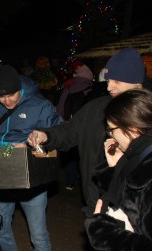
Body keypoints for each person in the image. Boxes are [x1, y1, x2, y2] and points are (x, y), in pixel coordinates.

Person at [27, 47, 152, 216]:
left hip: (137, 209)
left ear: (136, 83)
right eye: (108, 80)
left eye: (116, 81)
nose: (109, 87)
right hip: (95, 202)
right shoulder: (96, 108)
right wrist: (47, 135)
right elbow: (71, 130)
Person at [0, 65, 63, 251]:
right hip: (3, 175)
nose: (6, 101)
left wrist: (31, 148)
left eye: (11, 95)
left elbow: (60, 136)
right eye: (1, 96)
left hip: (31, 177)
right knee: (2, 228)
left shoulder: (41, 106)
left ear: (19, 88)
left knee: (38, 236)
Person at [85, 88, 152, 250]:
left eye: (111, 129)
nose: (110, 136)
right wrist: (115, 168)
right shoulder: (143, 152)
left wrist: (103, 232)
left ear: (133, 130)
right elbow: (129, 200)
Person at [56, 61, 93, 190]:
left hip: (68, 125)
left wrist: (61, 124)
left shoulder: (68, 88)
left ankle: (70, 181)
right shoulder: (90, 90)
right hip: (84, 127)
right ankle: (82, 179)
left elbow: (60, 108)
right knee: (82, 154)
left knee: (69, 154)